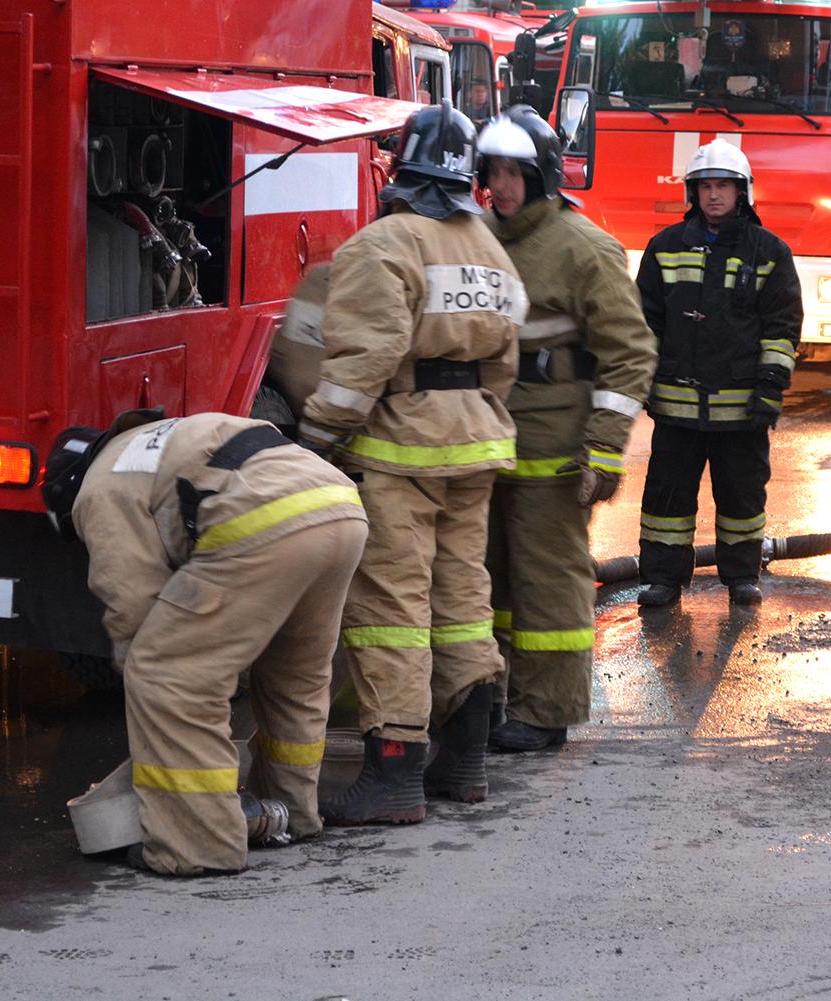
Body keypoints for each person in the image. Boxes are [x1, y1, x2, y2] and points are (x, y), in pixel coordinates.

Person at [298, 103, 524, 823]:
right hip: (477, 441)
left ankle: (394, 771)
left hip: (401, 448)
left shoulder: (383, 242)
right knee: (463, 597)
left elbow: (364, 359)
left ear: (403, 167)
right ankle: (464, 762)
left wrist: (319, 436)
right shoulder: (489, 246)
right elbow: (506, 359)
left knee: (392, 604)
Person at [42, 409, 368, 876]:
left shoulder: (97, 487)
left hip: (263, 519)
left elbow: (134, 602)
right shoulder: (154, 442)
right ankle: (292, 814)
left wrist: (155, 689)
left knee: (168, 675)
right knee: (295, 674)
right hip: (338, 507)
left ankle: (198, 846)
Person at [474, 105, 657, 752]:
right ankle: (489, 697)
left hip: (555, 450)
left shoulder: (584, 247)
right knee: (487, 580)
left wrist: (604, 451)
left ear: (542, 174)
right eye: (491, 172)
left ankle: (547, 709)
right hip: (485, 441)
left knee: (548, 581)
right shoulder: (475, 236)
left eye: (513, 173)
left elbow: (629, 352)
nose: (500, 186)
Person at [634, 139, 802, 608]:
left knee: (742, 497)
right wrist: (642, 383)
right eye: (705, 186)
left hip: (741, 410)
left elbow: (782, 327)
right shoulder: (665, 248)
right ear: (692, 191)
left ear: (742, 191)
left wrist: (770, 389)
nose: (713, 196)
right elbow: (645, 322)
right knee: (667, 499)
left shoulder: (768, 252)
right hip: (675, 408)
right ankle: (663, 579)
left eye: (723, 186)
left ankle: (742, 575)